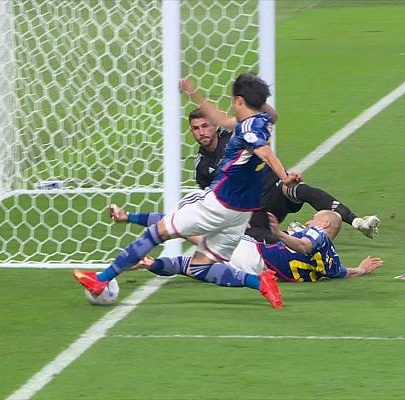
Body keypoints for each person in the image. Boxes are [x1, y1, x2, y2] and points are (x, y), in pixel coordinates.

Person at [74, 73, 301, 309]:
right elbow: (229, 119)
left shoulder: (247, 131)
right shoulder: (263, 120)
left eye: (234, 100)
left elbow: (265, 152)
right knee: (199, 267)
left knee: (157, 232)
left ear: (239, 100)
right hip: (242, 214)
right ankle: (260, 282)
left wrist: (285, 178)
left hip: (220, 202)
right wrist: (195, 94)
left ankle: (101, 279)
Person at [186, 105, 380, 243]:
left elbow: (266, 147)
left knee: (300, 190)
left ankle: (357, 221)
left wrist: (284, 177)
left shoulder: (235, 137)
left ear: (214, 126)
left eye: (205, 126)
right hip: (255, 208)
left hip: (276, 189)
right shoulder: (202, 167)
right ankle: (297, 239)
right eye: (196, 128)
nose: (201, 132)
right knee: (251, 233)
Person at [109, 205, 383, 282]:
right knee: (191, 267)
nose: (310, 221)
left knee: (183, 226)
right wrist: (360, 269)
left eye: (314, 218)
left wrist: (280, 234)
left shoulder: (318, 236)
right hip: (258, 268)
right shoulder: (332, 260)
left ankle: (128, 217)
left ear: (325, 225)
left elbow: (305, 247)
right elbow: (342, 272)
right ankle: (150, 263)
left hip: (253, 254)